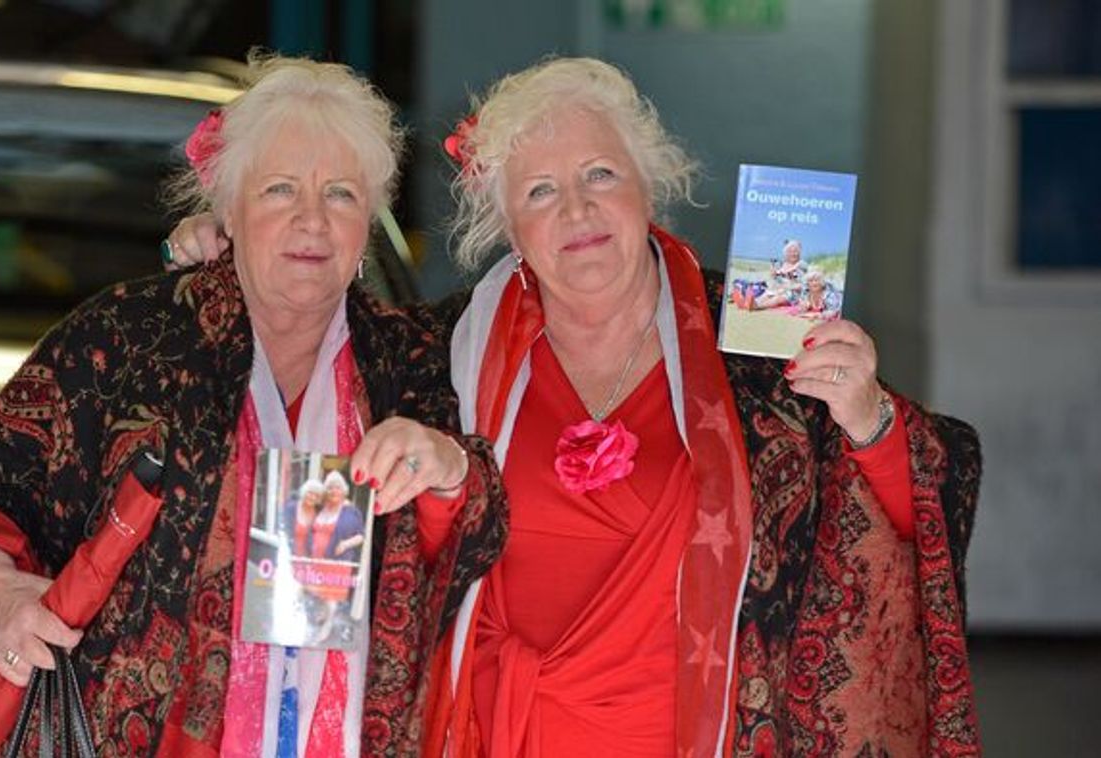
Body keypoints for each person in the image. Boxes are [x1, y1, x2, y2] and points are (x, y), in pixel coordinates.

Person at [164, 58, 980, 757]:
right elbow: (307, 356)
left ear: (649, 187)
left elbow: (917, 520)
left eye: (599, 176)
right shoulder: (443, 356)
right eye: (540, 191)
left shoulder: (760, 351)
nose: (577, 211)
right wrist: (239, 252)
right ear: (507, 225)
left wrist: (867, 419)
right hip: (492, 733)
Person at [0, 54, 506, 757]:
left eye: (341, 194)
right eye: (280, 190)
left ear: (369, 225)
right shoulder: (129, 338)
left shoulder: (412, 360)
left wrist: (447, 470)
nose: (312, 220)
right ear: (228, 208)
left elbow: (479, 534)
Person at [731, 238, 808, 310]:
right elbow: (776, 279)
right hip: (779, 289)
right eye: (790, 251)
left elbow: (799, 281)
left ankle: (756, 306)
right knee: (767, 294)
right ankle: (747, 303)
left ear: (799, 253)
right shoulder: (782, 264)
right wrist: (774, 275)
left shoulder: (801, 265)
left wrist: (782, 278)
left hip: (794, 292)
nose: (793, 254)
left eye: (795, 251)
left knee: (778, 298)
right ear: (786, 253)